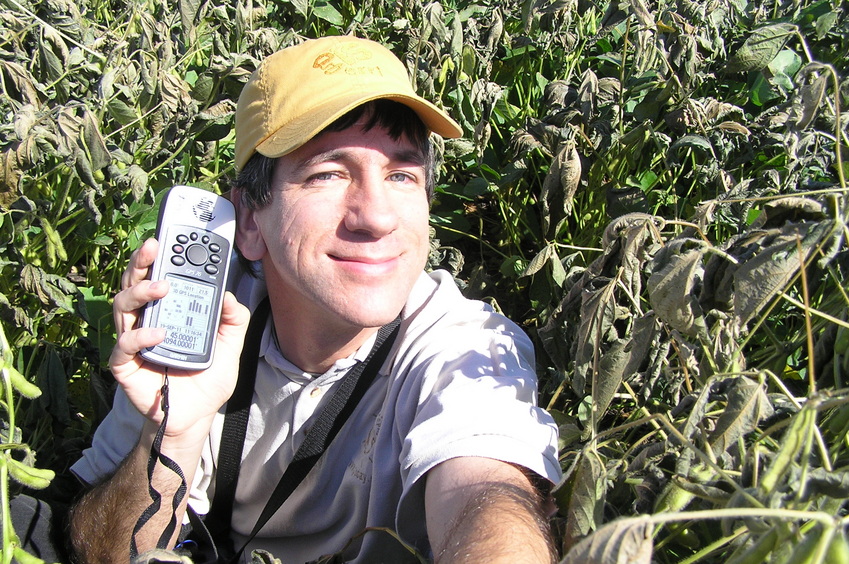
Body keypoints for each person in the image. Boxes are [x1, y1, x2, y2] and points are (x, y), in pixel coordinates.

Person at [68, 35, 562, 563]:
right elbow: (105, 551)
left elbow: (484, 497)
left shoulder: (467, 348)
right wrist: (171, 431)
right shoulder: (199, 326)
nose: (376, 216)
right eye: (327, 174)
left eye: (401, 175)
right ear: (251, 221)